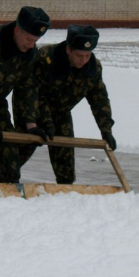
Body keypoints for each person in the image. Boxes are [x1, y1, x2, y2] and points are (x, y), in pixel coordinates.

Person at [13, 25, 116, 184]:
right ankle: (3, 178)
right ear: (68, 49)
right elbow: (34, 93)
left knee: (65, 157)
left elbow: (99, 99)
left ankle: (66, 189)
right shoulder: (45, 59)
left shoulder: (93, 68)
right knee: (23, 149)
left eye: (87, 56)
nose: (83, 61)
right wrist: (45, 122)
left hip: (61, 112)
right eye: (79, 55)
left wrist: (106, 129)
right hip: (30, 108)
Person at [0, 5, 49, 183]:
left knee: (11, 168)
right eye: (29, 39)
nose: (31, 45)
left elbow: (27, 88)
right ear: (17, 30)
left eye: (35, 40)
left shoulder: (30, 53)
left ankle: (1, 184)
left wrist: (31, 124)